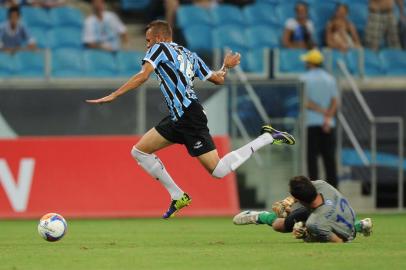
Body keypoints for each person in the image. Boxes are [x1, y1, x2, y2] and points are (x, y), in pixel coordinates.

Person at [86, 20, 296, 219]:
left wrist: (114, 95)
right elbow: (218, 79)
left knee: (218, 170)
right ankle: (178, 196)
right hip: (178, 117)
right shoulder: (189, 54)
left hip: (189, 117)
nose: (146, 45)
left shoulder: (158, 49)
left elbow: (143, 75)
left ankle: (267, 137)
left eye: (148, 40)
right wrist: (226, 67)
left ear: (159, 38)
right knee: (139, 151)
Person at [233, 176, 373, 243]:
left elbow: (338, 242)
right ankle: (360, 225)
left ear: (301, 201)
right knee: (287, 223)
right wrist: (288, 201)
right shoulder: (321, 185)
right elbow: (305, 188)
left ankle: (260, 217)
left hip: (345, 235)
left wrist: (306, 235)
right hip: (344, 215)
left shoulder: (315, 223)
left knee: (279, 225)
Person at [300, 49, 338, 188]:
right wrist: (328, 115)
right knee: (330, 160)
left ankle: (313, 191)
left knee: (312, 160)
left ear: (310, 63)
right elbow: (335, 101)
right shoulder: (330, 78)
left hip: (312, 123)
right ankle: (334, 191)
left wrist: (321, 111)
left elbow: (305, 101)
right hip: (328, 124)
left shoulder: (304, 79)